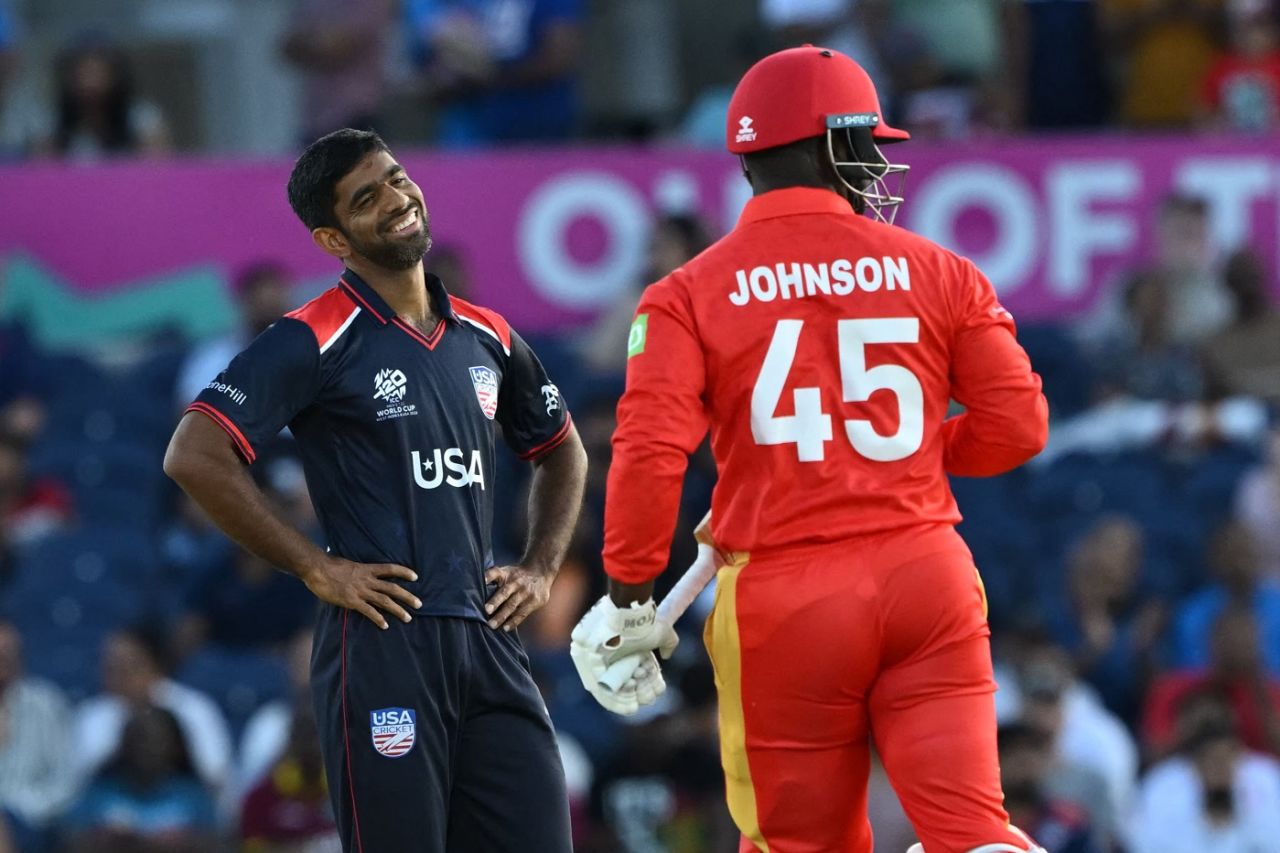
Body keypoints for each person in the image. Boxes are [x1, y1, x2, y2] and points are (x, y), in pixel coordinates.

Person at [571, 45, 1049, 853]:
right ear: (834, 147)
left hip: (786, 597)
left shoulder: (685, 294)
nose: (877, 164)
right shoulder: (941, 269)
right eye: (866, 143)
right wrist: (894, 459)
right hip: (927, 573)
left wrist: (627, 593)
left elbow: (649, 456)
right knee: (974, 834)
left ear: (748, 160)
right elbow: (1018, 425)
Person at [163, 128, 587, 852]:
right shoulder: (312, 335)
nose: (396, 199)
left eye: (395, 177)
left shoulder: (486, 332)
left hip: (489, 637)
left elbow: (562, 450)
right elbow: (194, 454)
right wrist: (314, 565)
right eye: (366, 198)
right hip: (384, 645)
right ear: (334, 239)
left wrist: (542, 566)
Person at [72, 627, 233, 795]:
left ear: (157, 665)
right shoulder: (93, 714)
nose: (118, 675)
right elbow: (82, 784)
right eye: (111, 667)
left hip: (184, 804)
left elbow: (215, 775)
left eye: (128, 666)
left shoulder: (194, 707)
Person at [63, 705, 220, 853]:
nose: (148, 748)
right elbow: (70, 840)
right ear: (125, 743)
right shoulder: (101, 789)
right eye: (140, 739)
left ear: (176, 746)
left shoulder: (193, 793)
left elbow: (217, 843)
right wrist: (104, 839)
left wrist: (183, 841)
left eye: (158, 741)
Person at [0, 618, 78, 851]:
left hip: (31, 821)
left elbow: (64, 782)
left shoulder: (46, 704)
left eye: (7, 655)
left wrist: (18, 809)